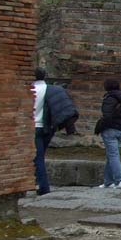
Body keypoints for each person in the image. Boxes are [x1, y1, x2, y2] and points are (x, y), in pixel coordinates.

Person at [32, 68, 79, 196]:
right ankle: (37, 183)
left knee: (37, 158)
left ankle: (42, 186)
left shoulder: (30, 90)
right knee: (39, 156)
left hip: (34, 127)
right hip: (48, 128)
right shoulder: (52, 90)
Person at [97, 78, 121, 189]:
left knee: (113, 155)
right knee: (111, 155)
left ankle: (119, 181)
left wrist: (101, 126)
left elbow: (106, 116)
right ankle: (108, 181)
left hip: (110, 130)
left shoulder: (109, 99)